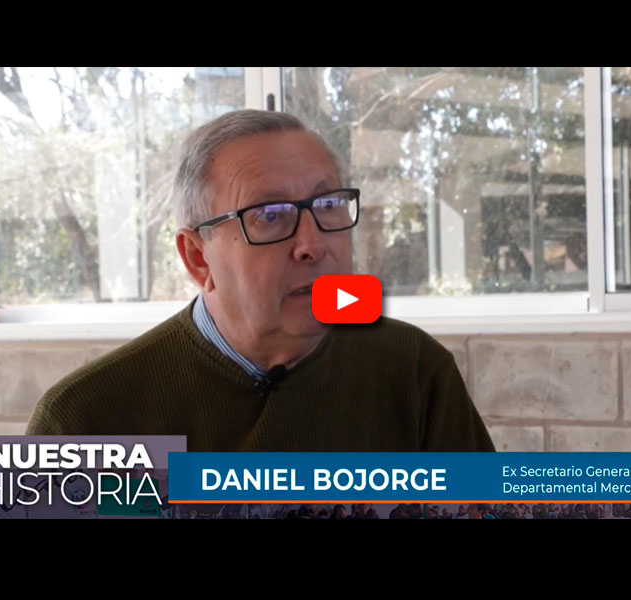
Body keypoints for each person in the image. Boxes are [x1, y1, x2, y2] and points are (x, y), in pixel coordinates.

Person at [26, 109, 495, 453]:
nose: (312, 244)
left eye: (328, 205)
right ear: (198, 258)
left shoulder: (414, 370)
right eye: (270, 215)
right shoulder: (83, 421)